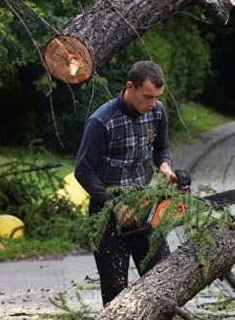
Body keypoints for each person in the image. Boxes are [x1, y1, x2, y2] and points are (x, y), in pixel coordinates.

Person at [75, 60, 176, 305]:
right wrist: (113, 204)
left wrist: (164, 165)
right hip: (107, 210)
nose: (152, 103)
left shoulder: (157, 112)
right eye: (147, 97)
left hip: (143, 204)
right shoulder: (102, 121)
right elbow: (83, 171)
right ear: (129, 87)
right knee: (115, 290)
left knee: (163, 275)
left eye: (156, 97)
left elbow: (162, 148)